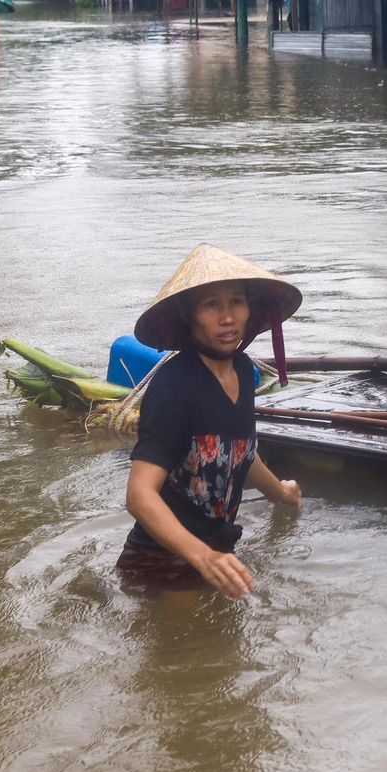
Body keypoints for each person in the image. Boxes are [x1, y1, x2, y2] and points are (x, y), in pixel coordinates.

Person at [119, 244, 304, 598]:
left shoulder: (242, 368)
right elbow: (139, 495)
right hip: (161, 562)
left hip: (217, 555)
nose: (228, 317)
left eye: (236, 301)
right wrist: (203, 557)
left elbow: (238, 453)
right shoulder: (174, 388)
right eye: (211, 304)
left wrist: (281, 493)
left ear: (251, 309)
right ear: (189, 317)